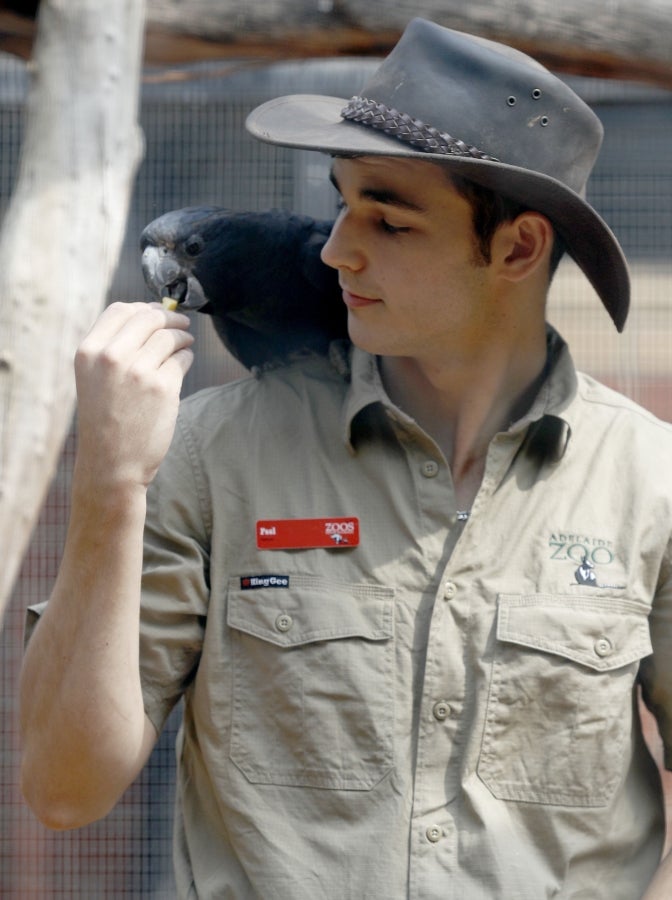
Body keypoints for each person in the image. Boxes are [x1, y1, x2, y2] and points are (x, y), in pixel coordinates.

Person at [19, 18, 672, 899]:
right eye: (340, 203)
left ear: (518, 248)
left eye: (389, 221)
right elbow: (63, 791)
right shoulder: (210, 453)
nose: (333, 249)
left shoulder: (650, 482)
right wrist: (108, 484)